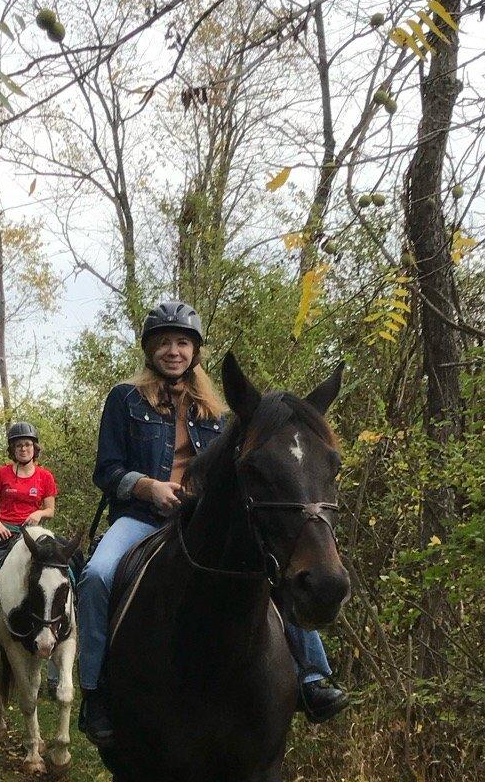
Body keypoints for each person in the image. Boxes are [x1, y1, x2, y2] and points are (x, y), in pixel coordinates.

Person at [77, 300, 347, 747]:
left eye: (182, 342)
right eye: (164, 342)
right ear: (150, 351)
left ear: (195, 351)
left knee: (275, 564)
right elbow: (106, 469)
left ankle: (313, 676)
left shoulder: (218, 413)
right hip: (142, 518)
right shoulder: (124, 398)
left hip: (199, 520)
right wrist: (148, 487)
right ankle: (95, 692)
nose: (173, 351)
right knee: (97, 575)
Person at [0, 423, 59, 633]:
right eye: (18, 446)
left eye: (27, 445)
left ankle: (71, 611)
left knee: (68, 560)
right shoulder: (1, 474)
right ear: (12, 450)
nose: (23, 449)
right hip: (6, 530)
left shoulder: (45, 477)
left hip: (34, 533)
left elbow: (50, 510)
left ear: (34, 448)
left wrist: (39, 513)